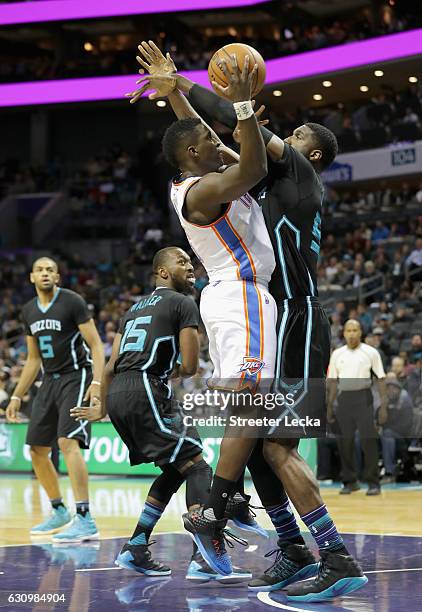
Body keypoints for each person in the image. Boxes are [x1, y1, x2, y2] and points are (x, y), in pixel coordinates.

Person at [128, 41, 367, 602]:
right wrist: (179, 93)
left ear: (307, 155)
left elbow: (242, 142)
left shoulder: (299, 177)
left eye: (288, 138)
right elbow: (209, 144)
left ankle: (303, 543)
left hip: (296, 317)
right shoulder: (259, 185)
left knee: (275, 444)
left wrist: (218, 98)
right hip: (270, 313)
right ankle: (291, 545)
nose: (260, 134)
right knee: (261, 439)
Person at [71, 247, 249, 582]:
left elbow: (110, 366)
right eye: (182, 262)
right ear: (162, 272)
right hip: (146, 388)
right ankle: (204, 557)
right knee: (198, 464)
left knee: (176, 469)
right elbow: (192, 365)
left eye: (190, 261)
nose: (190, 267)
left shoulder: (132, 309)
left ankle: (136, 546)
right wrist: (170, 371)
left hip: (122, 393)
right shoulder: (182, 303)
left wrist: (103, 406)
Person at [6, 257, 104, 542]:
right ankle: (59, 510)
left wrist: (97, 383)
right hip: (49, 381)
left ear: (57, 277)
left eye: (50, 270)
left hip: (77, 376)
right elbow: (33, 359)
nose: (45, 273)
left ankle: (85, 518)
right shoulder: (28, 311)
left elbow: (96, 345)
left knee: (67, 442)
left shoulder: (72, 301)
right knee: (36, 450)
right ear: (31, 278)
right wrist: (17, 395)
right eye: (40, 270)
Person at [327, 319, 388, 496]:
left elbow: (381, 379)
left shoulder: (371, 352)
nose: (352, 334)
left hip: (364, 398)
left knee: (368, 441)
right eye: (348, 330)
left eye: (355, 330)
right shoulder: (337, 354)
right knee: (344, 442)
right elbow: (332, 382)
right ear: (344, 333)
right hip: (344, 399)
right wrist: (330, 406)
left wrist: (384, 406)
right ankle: (350, 481)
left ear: (360, 332)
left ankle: (373, 483)